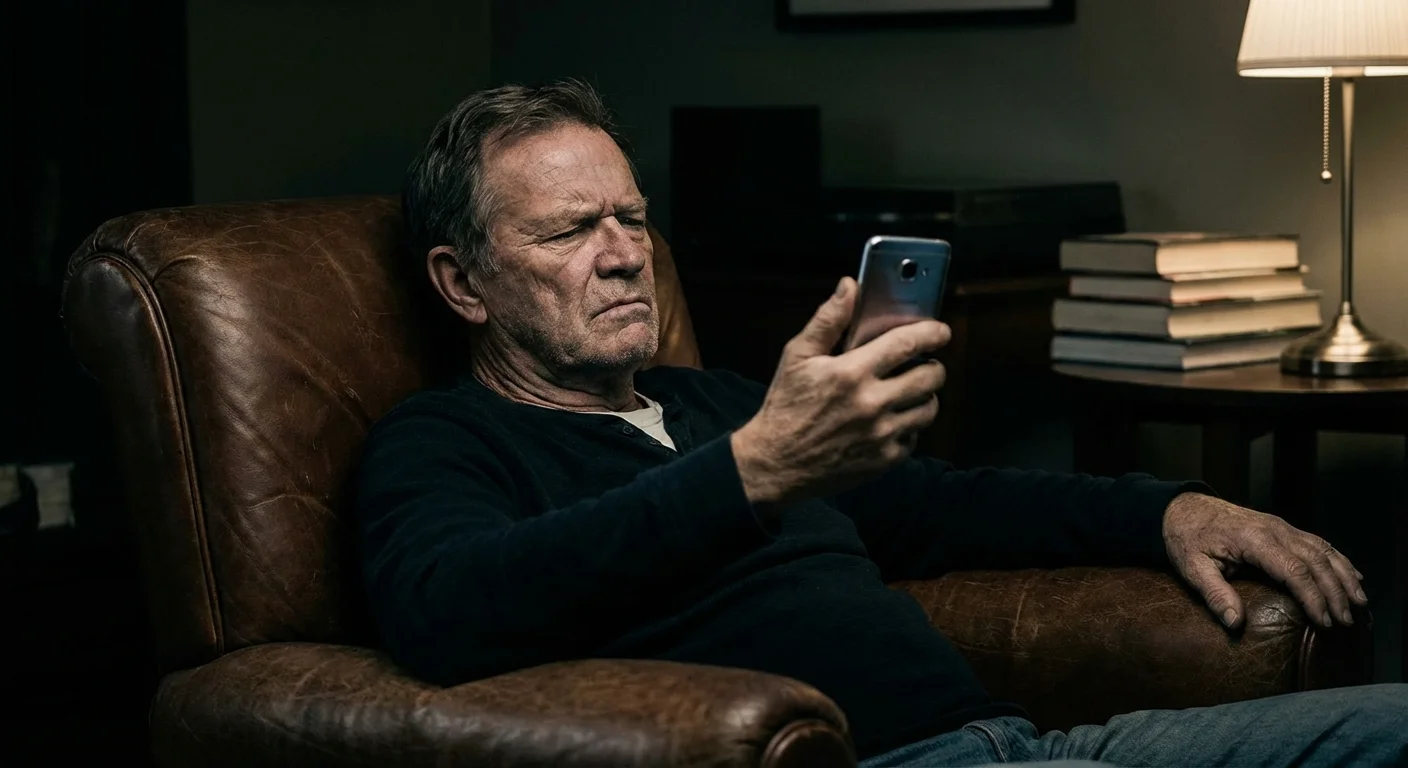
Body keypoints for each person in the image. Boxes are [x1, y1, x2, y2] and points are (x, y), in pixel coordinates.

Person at [355, 79, 1405, 767]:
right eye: (571, 229)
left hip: (1036, 747)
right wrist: (754, 472)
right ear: (463, 284)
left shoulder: (713, 401)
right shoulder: (444, 441)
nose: (626, 252)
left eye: (631, 215)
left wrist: (1165, 508)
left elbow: (944, 505)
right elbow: (453, 612)